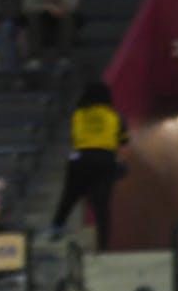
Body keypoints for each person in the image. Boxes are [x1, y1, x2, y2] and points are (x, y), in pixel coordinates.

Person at [51, 82, 126, 250]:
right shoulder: (114, 116)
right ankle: (103, 246)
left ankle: (55, 229)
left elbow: (75, 136)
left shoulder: (78, 114)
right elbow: (123, 140)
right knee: (102, 206)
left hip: (80, 159)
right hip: (104, 159)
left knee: (68, 197)